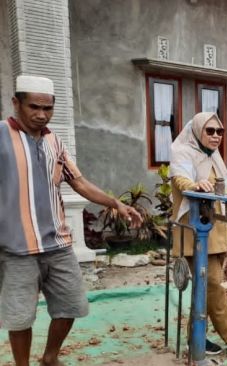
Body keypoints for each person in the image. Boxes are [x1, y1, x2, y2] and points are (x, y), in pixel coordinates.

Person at [0, 75, 143, 366]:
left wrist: (116, 203)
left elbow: (78, 182)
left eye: (48, 108)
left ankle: (50, 357)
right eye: (34, 107)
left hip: (58, 244)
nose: (41, 114)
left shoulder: (54, 140)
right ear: (16, 103)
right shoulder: (1, 136)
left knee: (72, 304)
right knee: (20, 316)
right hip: (17, 248)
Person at [169, 111, 227, 361]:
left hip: (215, 230)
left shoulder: (215, 157)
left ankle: (195, 336)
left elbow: (219, 193)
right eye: (210, 131)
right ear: (197, 131)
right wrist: (194, 185)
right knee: (213, 285)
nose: (216, 136)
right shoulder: (182, 152)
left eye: (220, 132)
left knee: (205, 287)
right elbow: (181, 180)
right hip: (194, 230)